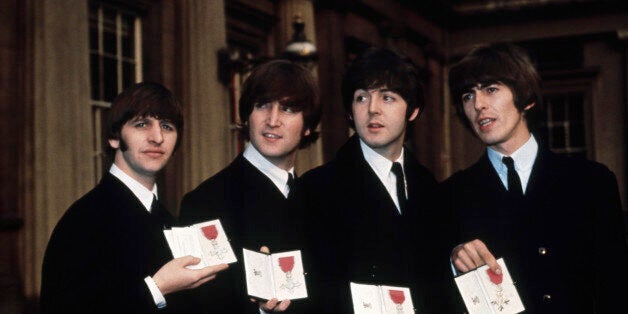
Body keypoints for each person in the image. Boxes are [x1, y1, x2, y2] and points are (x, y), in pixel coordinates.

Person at [442, 42, 628, 313]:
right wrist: (453, 262)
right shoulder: (451, 195)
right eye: (468, 96)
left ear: (526, 99)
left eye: (491, 89)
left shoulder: (592, 182)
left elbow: (617, 288)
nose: (478, 104)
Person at [40, 82, 228, 313]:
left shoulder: (168, 220)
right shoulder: (83, 219)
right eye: (142, 124)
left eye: (167, 126)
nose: (157, 137)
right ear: (114, 138)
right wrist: (156, 288)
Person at [299, 47, 455, 313]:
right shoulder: (316, 189)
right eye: (361, 98)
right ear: (350, 111)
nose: (373, 109)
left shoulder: (430, 187)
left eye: (388, 98)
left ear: (413, 110)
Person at [178, 59, 321, 313]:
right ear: (247, 116)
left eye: (288, 109)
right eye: (262, 105)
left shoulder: (318, 197)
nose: (272, 120)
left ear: (308, 126)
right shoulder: (205, 202)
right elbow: (202, 307)